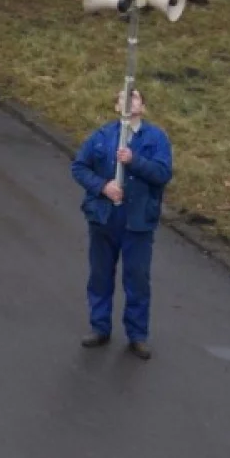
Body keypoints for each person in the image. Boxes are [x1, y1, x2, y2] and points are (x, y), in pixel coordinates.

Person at [70, 88, 173, 360]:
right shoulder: (102, 137)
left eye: (135, 96)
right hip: (104, 218)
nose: (129, 100)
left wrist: (134, 160)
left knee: (137, 279)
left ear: (143, 106)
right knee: (100, 275)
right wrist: (103, 187)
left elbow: (162, 173)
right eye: (122, 97)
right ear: (117, 107)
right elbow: (80, 167)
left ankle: (137, 335)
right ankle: (100, 326)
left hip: (138, 221)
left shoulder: (156, 138)